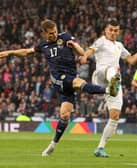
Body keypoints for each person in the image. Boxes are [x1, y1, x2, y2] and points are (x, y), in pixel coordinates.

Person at [0, 19, 115, 156]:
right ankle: (109, 90)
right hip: (58, 78)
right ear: (44, 33)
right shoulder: (43, 45)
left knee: (65, 115)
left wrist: (74, 46)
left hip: (70, 77)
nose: (54, 35)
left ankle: (52, 145)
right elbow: (26, 52)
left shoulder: (65, 36)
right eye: (50, 33)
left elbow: (82, 52)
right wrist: (9, 52)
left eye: (55, 32)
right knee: (78, 83)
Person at [80, 19, 137, 157]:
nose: (113, 32)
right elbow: (90, 50)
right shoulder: (101, 41)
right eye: (110, 30)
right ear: (105, 30)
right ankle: (113, 84)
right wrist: (84, 57)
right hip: (100, 76)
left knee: (115, 116)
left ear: (119, 32)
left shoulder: (119, 45)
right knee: (113, 70)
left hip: (113, 81)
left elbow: (131, 60)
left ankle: (100, 148)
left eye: (116, 30)